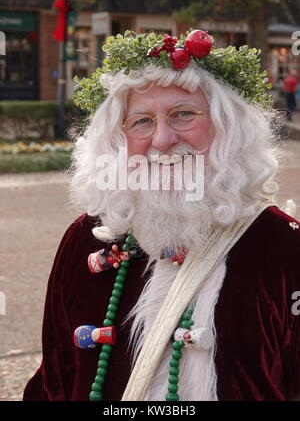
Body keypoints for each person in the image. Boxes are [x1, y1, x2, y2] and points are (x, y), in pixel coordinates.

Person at [23, 30, 300, 402]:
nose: (162, 139)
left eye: (183, 114)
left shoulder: (284, 244)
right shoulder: (87, 237)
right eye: (141, 121)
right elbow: (54, 380)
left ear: (228, 127)